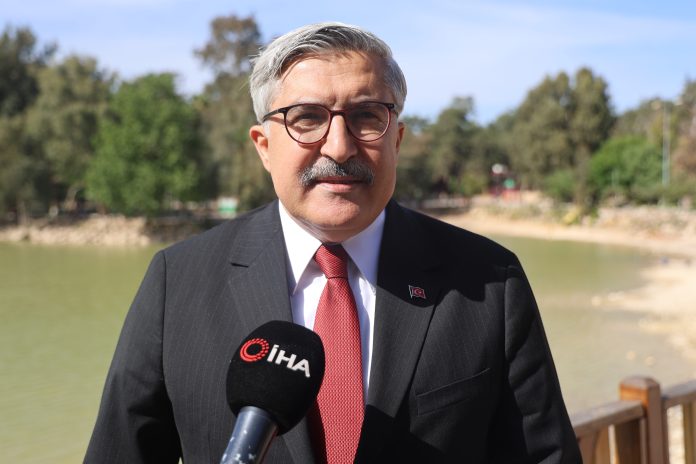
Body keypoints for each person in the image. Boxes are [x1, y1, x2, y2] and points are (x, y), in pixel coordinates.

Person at [85, 22, 581, 463]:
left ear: (397, 140)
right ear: (264, 146)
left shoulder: (489, 281)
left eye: (366, 116)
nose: (339, 147)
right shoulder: (177, 281)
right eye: (306, 117)